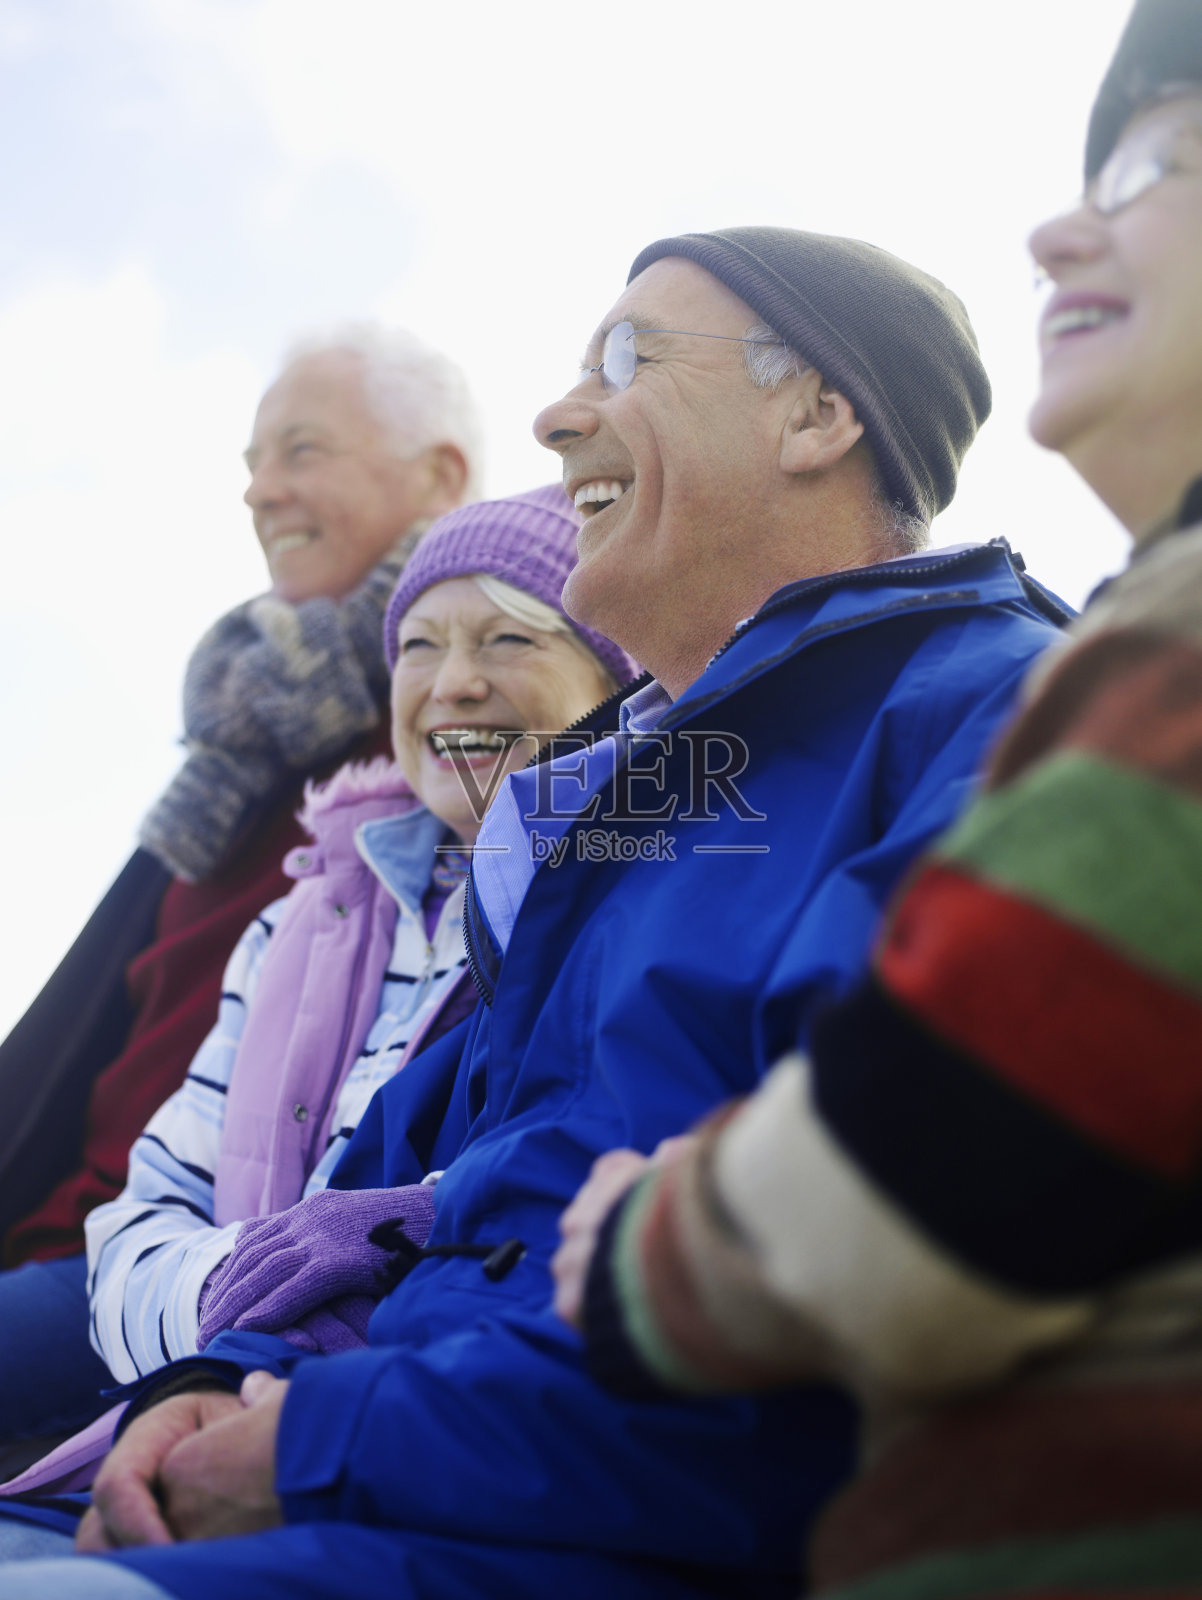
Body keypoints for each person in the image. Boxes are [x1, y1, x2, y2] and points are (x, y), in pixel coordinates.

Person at [0, 227, 1070, 1600]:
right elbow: (392, 1202)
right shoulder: (618, 802)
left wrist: (317, 1438)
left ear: (816, 413)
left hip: (572, 1526)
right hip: (395, 1479)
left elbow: (843, 1319)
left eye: (625, 359)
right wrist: (216, 1387)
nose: (557, 416)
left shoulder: (997, 718)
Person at [553, 4, 1202, 1596]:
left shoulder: (1077, 677)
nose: (1055, 230)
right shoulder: (613, 793)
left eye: (1149, 164)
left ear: (816, 414)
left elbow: (923, 1182)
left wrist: (646, 1247)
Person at [0, 324, 478, 1463]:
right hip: (97, 1228)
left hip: (214, 1268)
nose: (262, 490)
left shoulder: (456, 741)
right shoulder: (256, 730)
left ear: (441, 474)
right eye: (253, 461)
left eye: (302, 450)